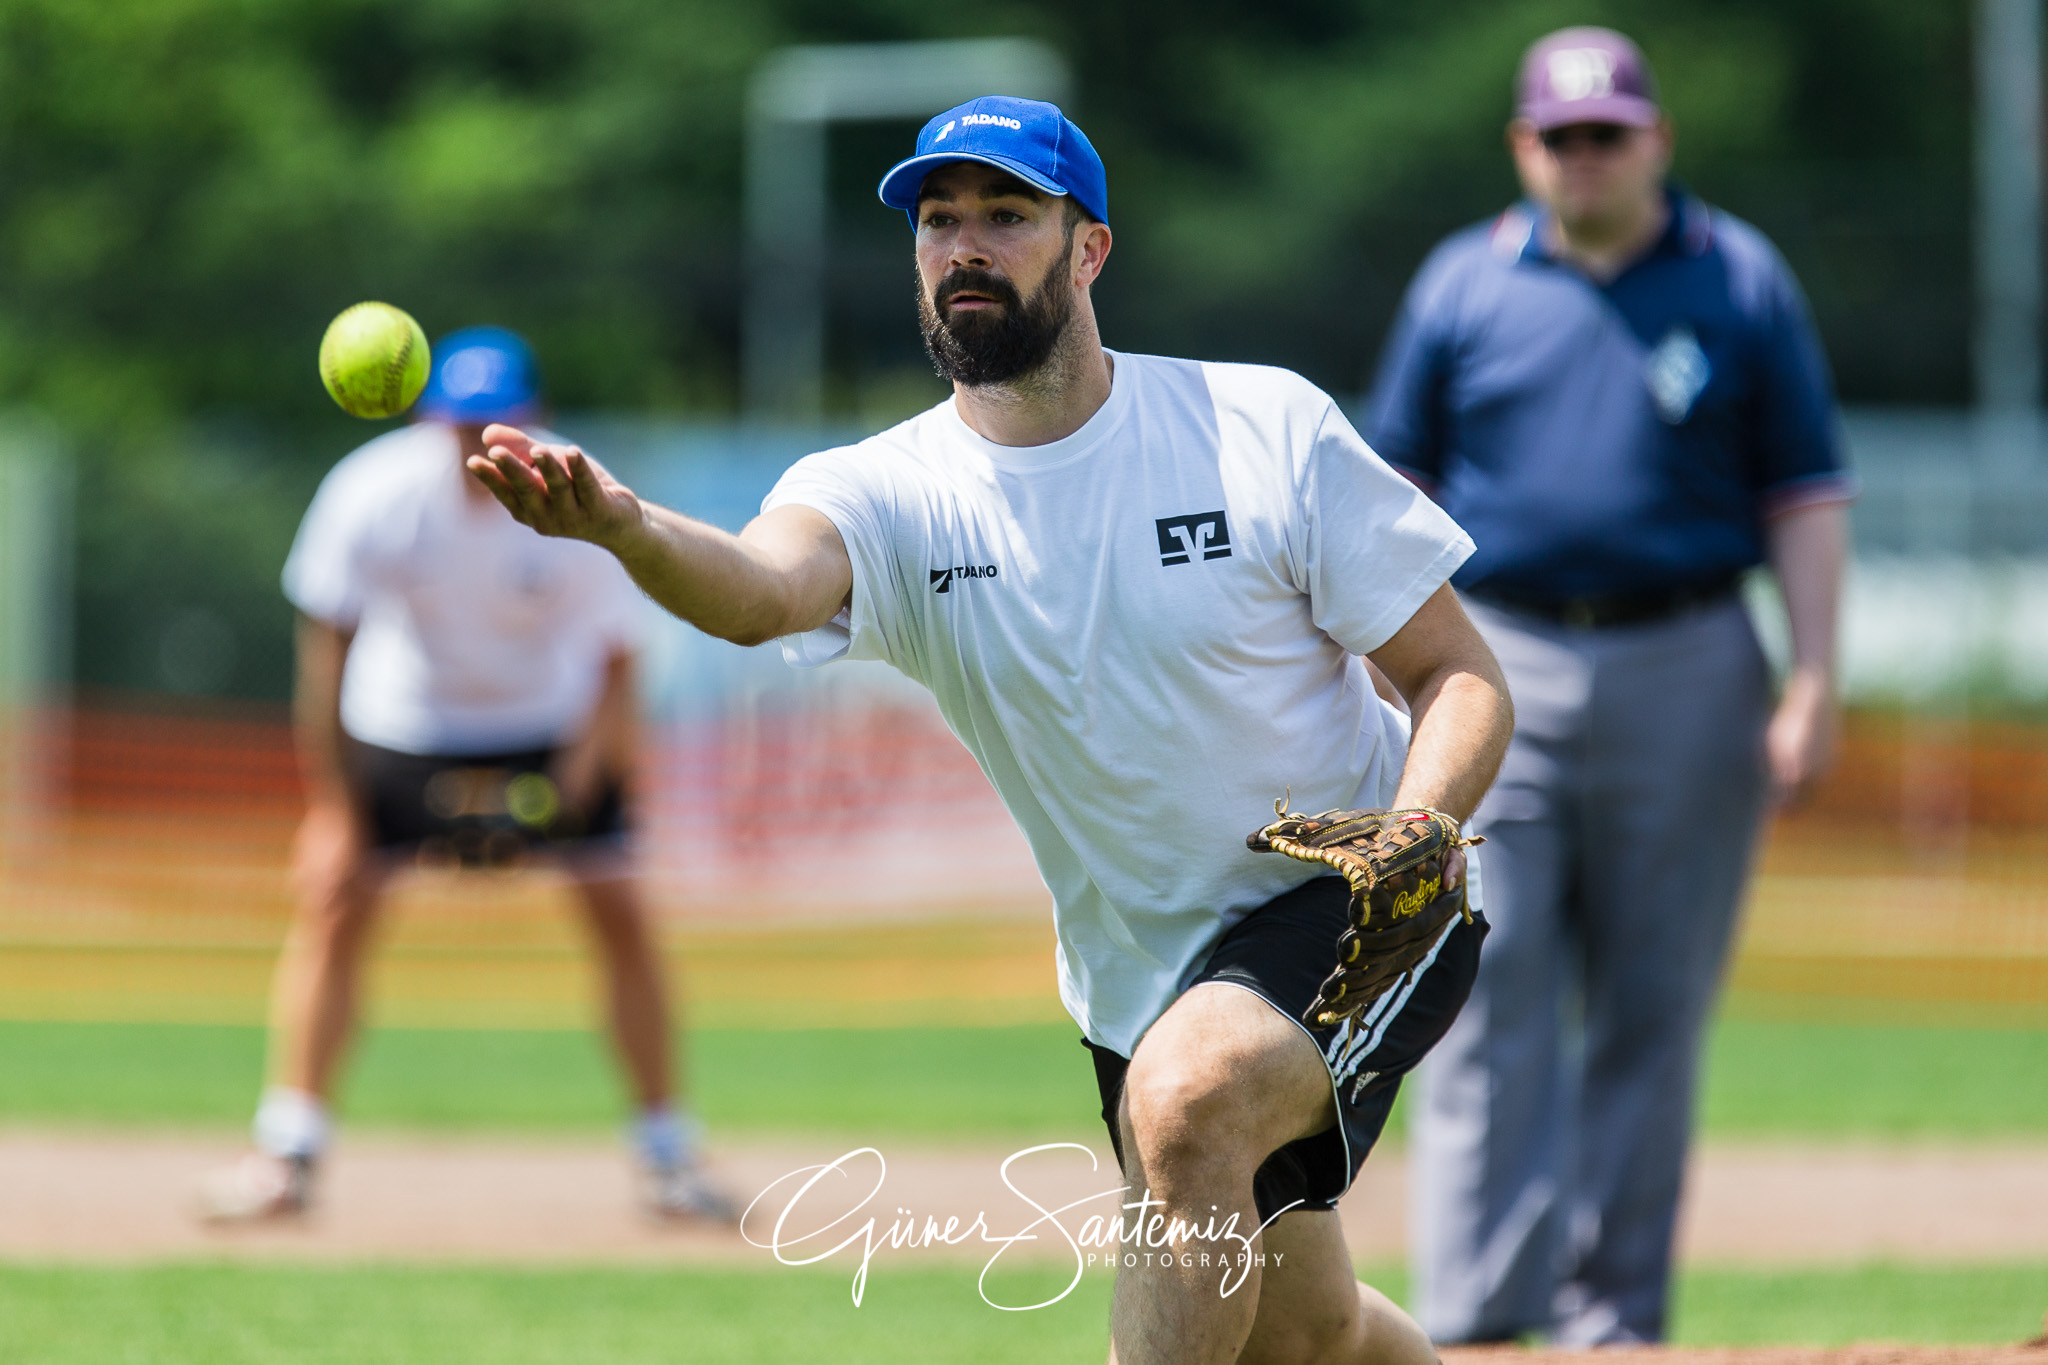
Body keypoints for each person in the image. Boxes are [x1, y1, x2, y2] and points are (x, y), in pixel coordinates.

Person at [468, 97, 1514, 1365]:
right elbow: (759, 592)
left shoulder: (1260, 429)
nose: (963, 244)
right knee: (1306, 1334)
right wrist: (628, 532)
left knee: (1184, 1103)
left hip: (1356, 900)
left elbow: (1458, 674)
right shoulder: (883, 492)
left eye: (1006, 215)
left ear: (1088, 250)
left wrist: (1420, 828)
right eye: (937, 219)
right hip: (1137, 972)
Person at [1366, 27, 1853, 1346]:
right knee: (1479, 987)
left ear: (1656, 140)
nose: (1585, 157)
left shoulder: (1739, 279)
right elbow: (1388, 495)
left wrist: (1813, 678)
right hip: (1494, 660)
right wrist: (1380, 676)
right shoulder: (1463, 286)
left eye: (1608, 134)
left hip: (1691, 657)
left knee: (1653, 1005)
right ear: (1525, 146)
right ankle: (1474, 1319)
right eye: (1560, 137)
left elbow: (1804, 494)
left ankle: (1609, 1321)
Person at [201, 327, 731, 1223]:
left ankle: (667, 1154)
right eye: (455, 426)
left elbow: (616, 665)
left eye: (495, 426)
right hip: (406, 726)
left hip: (550, 726)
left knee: (622, 908)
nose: (472, 446)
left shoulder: (586, 498)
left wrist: (575, 781)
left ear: (537, 423)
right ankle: (285, 1152)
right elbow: (326, 654)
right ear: (426, 421)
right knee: (333, 895)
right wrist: (335, 809)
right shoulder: (370, 491)